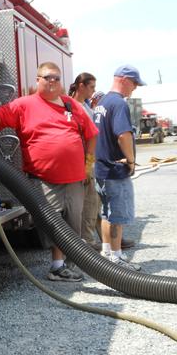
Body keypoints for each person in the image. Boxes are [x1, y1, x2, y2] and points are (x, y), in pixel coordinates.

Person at [0, 62, 98, 282]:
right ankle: (57, 267)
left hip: (75, 179)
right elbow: (2, 114)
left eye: (56, 78)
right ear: (38, 79)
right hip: (45, 179)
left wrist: (88, 162)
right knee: (54, 224)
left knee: (73, 223)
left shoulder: (71, 105)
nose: (52, 82)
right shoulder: (25, 104)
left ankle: (72, 265)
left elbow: (91, 133)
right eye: (47, 77)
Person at [93, 65, 145, 271]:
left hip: (102, 169)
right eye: (134, 83)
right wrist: (130, 160)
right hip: (115, 170)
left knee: (107, 213)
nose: (135, 88)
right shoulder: (119, 104)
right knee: (117, 215)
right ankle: (116, 257)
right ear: (123, 80)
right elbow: (123, 134)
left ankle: (107, 252)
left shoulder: (102, 102)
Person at [68, 73, 100, 249]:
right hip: (82, 163)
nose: (93, 91)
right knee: (88, 203)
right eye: (91, 87)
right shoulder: (75, 107)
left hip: (89, 162)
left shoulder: (85, 106)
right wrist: (86, 163)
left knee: (94, 202)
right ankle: (87, 241)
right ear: (81, 86)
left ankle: (92, 238)